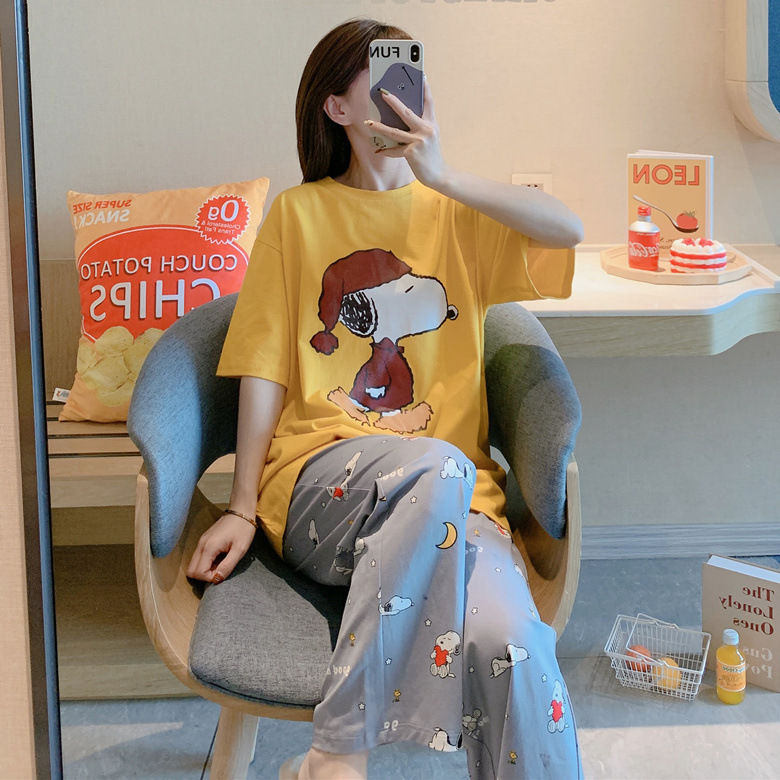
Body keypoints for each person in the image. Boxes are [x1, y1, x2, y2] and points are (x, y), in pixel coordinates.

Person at [186, 18, 584, 780]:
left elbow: (568, 230)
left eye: (414, 80)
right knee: (438, 466)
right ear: (337, 108)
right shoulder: (298, 215)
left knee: (514, 648)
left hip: (458, 505)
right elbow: (264, 367)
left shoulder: (455, 213)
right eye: (385, 84)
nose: (407, 98)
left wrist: (445, 176)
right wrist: (240, 505)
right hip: (324, 491)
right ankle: (338, 752)